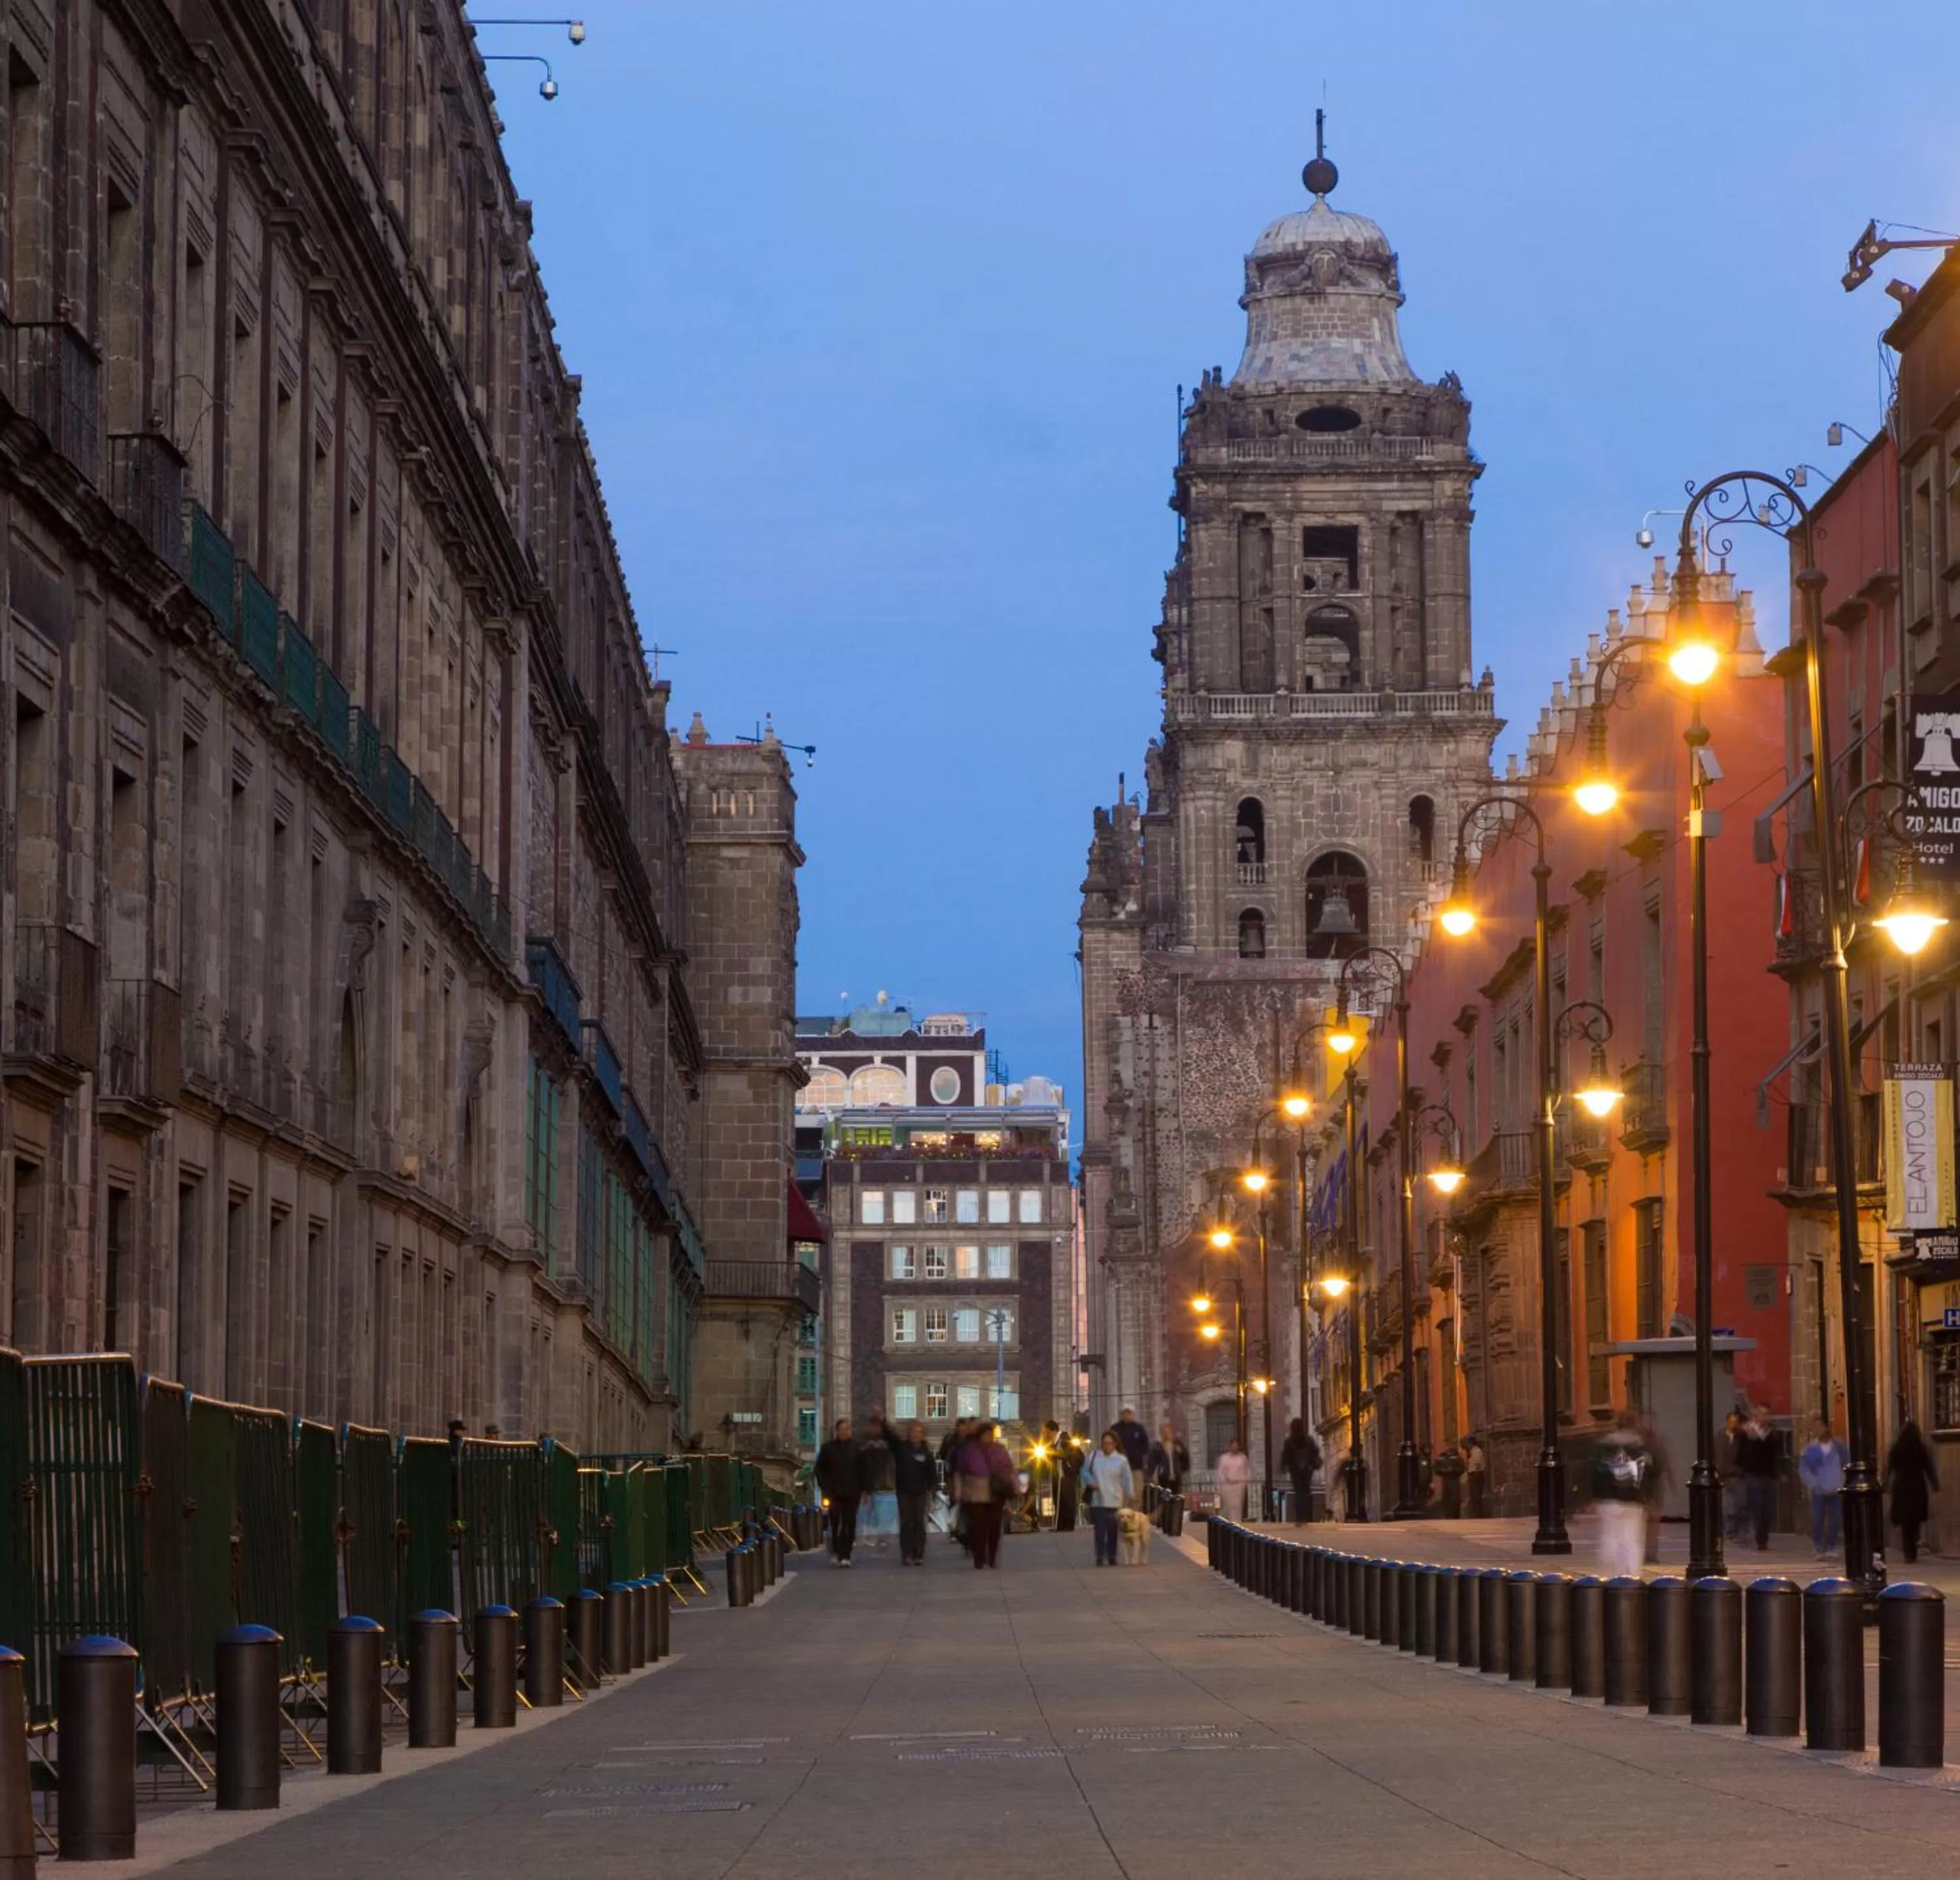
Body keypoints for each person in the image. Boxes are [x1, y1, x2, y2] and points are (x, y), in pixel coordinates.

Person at [1592, 1416, 1653, 1580]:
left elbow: (1596, 1473)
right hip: (1635, 1500)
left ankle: (1611, 1575)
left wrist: (1596, 1496)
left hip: (1610, 1500)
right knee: (1632, 1541)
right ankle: (1633, 1575)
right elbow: (1650, 1472)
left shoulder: (1605, 1447)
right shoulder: (1641, 1448)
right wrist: (1647, 1496)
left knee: (1610, 1537)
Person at [955, 1420, 1019, 1568]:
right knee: (979, 1527)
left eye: (991, 1435)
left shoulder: (1000, 1449)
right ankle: (979, 1558)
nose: (988, 1438)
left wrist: (1014, 1487)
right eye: (985, 1435)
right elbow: (960, 1471)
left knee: (995, 1526)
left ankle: (992, 1557)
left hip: (996, 1492)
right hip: (976, 1493)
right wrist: (959, 1491)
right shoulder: (970, 1450)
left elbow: (1009, 1469)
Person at [815, 1417, 868, 1568]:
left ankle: (846, 1555)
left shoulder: (858, 1449)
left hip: (853, 1492)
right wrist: (825, 1486)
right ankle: (837, 1551)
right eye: (842, 1429)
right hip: (834, 1492)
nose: (845, 1432)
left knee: (850, 1523)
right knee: (836, 1522)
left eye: (847, 1429)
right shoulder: (828, 1449)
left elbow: (864, 1470)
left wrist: (864, 1490)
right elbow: (819, 1469)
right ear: (837, 1431)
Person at [1886, 1418, 1940, 1563]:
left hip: (1901, 1486)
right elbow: (1928, 1467)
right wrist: (1935, 1484)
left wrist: (1885, 1484)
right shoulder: (1920, 1447)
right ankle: (1913, 1549)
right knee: (1915, 1520)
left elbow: (1890, 1467)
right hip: (1917, 1486)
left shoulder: (1896, 1447)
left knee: (1905, 1523)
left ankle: (1908, 1553)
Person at [885, 1418, 938, 1566]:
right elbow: (890, 1437)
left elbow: (932, 1473)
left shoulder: (926, 1453)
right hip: (904, 1491)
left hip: (920, 1492)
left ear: (923, 1435)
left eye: (919, 1432)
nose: (915, 1435)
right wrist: (882, 1421)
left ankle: (918, 1553)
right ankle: (906, 1553)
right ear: (908, 1433)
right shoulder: (901, 1448)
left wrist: (932, 1488)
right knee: (906, 1522)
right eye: (913, 1432)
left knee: (919, 1523)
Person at [1082, 1431, 1135, 1566]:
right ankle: (1100, 1556)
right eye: (1104, 1443)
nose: (1106, 1446)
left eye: (1109, 1443)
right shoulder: (1094, 1456)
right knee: (1099, 1530)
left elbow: (1126, 1478)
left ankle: (1112, 1556)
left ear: (1115, 1444)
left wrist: (1130, 1493)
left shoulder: (1121, 1460)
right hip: (1097, 1499)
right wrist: (1090, 1481)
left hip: (1114, 1499)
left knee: (1112, 1530)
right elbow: (1084, 1471)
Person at [1798, 1418, 1848, 1560]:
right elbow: (1805, 1469)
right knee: (1817, 1519)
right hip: (1819, 1490)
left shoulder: (1839, 1447)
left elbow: (1846, 1464)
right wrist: (1813, 1484)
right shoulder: (1810, 1449)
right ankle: (1818, 1547)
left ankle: (1830, 1546)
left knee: (1835, 1520)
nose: (1817, 1430)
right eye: (1815, 1427)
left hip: (1836, 1489)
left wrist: (1843, 1481)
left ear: (1827, 1428)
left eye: (1820, 1427)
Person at [1734, 1407, 1778, 1551]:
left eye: (1767, 1414)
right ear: (1754, 1416)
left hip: (1769, 1474)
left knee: (1769, 1508)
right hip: (1752, 1474)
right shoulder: (1746, 1433)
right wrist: (1739, 1471)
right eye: (1762, 1414)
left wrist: (1780, 1473)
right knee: (1757, 1505)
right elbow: (1740, 1454)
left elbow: (1776, 1455)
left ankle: (1764, 1535)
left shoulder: (1772, 1433)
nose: (1765, 1417)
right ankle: (1761, 1539)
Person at [1279, 1418, 1320, 1526]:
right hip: (1306, 1469)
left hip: (1296, 1470)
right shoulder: (1308, 1440)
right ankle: (1306, 1517)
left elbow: (1285, 1455)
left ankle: (1300, 1517)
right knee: (1305, 1492)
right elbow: (1315, 1453)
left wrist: (1284, 1466)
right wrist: (1313, 1464)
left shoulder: (1289, 1441)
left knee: (1299, 1493)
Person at [1146, 1423, 1190, 1499]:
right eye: (1164, 1432)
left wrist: (1183, 1468)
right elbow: (1152, 1461)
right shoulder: (1157, 1446)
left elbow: (1185, 1457)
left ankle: (1176, 1509)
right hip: (1164, 1477)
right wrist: (1150, 1474)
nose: (1167, 1434)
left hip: (1176, 1477)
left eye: (1168, 1432)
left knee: (1176, 1498)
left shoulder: (1177, 1444)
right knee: (1164, 1498)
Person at [1217, 1436, 1251, 1522]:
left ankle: (1237, 1524)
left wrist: (1242, 1484)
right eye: (1233, 1445)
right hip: (1227, 1487)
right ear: (1230, 1446)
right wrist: (1225, 1482)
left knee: (1237, 1508)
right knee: (1227, 1509)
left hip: (1238, 1487)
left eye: (1236, 1446)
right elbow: (1221, 1472)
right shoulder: (1224, 1458)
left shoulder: (1242, 1458)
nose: (1235, 1447)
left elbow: (1246, 1472)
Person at [1114, 1407, 1151, 1478]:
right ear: (1121, 1415)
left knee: (1137, 1488)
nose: (1127, 1416)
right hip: (1119, 1467)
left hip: (1136, 1467)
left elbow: (1145, 1446)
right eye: (1125, 1413)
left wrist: (1139, 1456)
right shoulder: (1115, 1429)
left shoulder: (1139, 1428)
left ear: (1133, 1414)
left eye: (1129, 1413)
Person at [1462, 1436, 1487, 1518]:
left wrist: (1475, 1475)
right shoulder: (1472, 1452)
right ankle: (1476, 1514)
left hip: (1476, 1475)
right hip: (1473, 1474)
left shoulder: (1477, 1451)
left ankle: (1478, 1515)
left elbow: (1477, 1464)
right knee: (1473, 1496)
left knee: (1476, 1496)